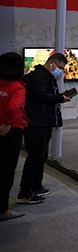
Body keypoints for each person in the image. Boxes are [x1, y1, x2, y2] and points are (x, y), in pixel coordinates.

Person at [18, 53, 70, 204]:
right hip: (36, 123)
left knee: (41, 155)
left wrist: (60, 96)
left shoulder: (47, 77)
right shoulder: (38, 76)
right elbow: (41, 96)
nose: (60, 71)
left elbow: (46, 96)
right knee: (35, 156)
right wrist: (60, 98)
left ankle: (36, 186)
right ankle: (25, 192)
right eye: (60, 68)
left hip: (44, 122)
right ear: (52, 63)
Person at [0, 52, 29, 221]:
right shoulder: (17, 87)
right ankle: (2, 210)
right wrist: (7, 123)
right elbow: (13, 108)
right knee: (7, 170)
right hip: (11, 130)